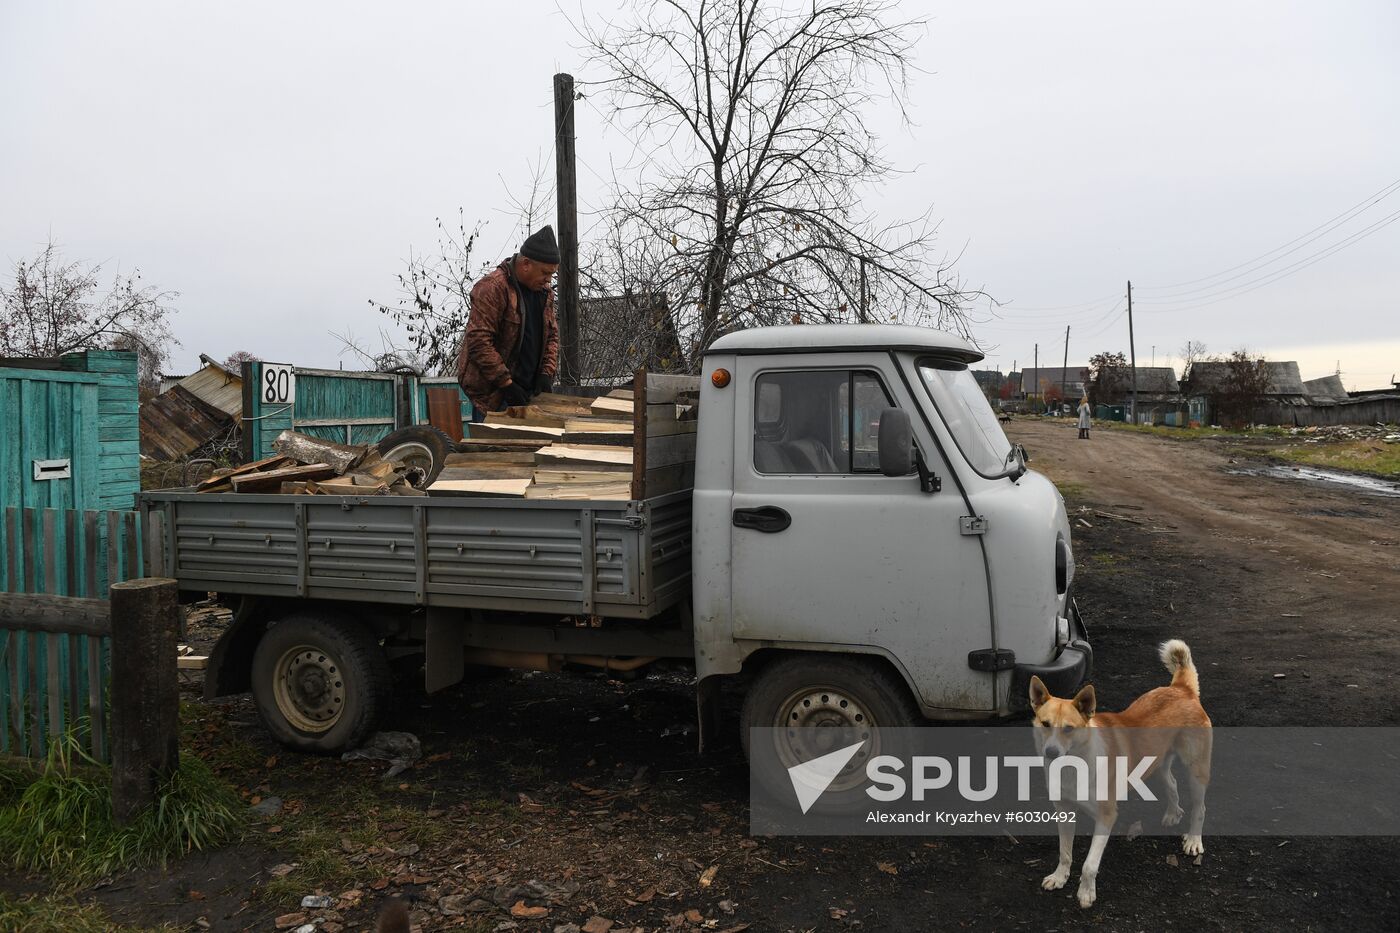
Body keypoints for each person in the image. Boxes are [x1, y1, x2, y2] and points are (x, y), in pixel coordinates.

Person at [456, 226, 561, 419]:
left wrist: (546, 373)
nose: (548, 279)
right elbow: (479, 341)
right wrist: (506, 384)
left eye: (552, 274)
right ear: (526, 264)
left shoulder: (545, 294)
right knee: (493, 439)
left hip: (530, 395)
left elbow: (552, 335)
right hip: (496, 398)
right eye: (545, 272)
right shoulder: (492, 288)